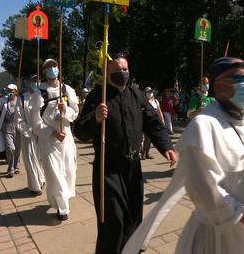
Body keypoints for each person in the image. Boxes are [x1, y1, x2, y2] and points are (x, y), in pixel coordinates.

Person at [122, 57, 244, 254]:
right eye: (239, 78)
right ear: (219, 86)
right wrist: (242, 214)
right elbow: (204, 187)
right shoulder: (203, 126)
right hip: (219, 235)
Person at [73, 53, 176, 254]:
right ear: (107, 73)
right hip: (108, 169)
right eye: (118, 70)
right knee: (114, 221)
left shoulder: (137, 95)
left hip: (133, 168)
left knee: (133, 219)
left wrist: (167, 147)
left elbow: (153, 124)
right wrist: (94, 117)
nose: (123, 73)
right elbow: (79, 131)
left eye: (125, 69)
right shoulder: (98, 95)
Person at [31, 58, 79, 221]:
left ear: (59, 68)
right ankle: (62, 208)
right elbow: (35, 121)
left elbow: (75, 111)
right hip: (49, 140)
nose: (52, 69)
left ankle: (60, 200)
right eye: (48, 67)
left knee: (68, 171)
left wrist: (65, 110)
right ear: (44, 71)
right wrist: (51, 132)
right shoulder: (39, 92)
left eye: (54, 66)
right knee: (54, 174)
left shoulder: (67, 89)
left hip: (66, 138)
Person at [16, 75, 46, 195]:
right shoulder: (22, 98)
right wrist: (30, 129)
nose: (36, 82)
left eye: (38, 80)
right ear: (28, 82)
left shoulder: (44, 96)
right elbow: (18, 119)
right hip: (29, 135)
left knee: (42, 160)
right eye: (33, 80)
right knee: (31, 160)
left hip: (44, 134)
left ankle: (41, 179)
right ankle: (35, 187)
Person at [141, 87, 165, 160]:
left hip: (153, 122)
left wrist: (162, 120)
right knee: (142, 139)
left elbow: (159, 111)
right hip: (143, 122)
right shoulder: (142, 102)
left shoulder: (155, 101)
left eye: (151, 92)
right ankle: (143, 153)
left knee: (149, 139)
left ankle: (146, 153)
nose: (150, 93)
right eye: (148, 92)